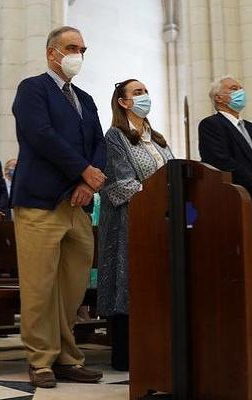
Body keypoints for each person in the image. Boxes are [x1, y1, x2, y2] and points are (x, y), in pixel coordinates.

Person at [11, 26, 106, 387]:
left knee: (72, 286)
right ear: (52, 52)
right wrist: (82, 170)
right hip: (39, 202)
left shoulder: (84, 97)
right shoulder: (33, 89)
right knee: (39, 287)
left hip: (77, 204)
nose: (78, 54)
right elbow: (40, 135)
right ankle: (40, 360)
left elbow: (98, 141)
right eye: (71, 47)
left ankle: (67, 357)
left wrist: (87, 182)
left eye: (82, 48)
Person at [97, 78, 175, 371]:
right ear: (123, 102)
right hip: (129, 221)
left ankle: (159, 346)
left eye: (146, 91)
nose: (145, 96)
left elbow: (172, 176)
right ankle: (127, 354)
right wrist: (158, 197)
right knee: (127, 280)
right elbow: (121, 182)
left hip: (161, 221)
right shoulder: (115, 136)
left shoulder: (158, 139)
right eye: (138, 93)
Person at [199, 75, 252, 203]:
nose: (240, 92)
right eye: (234, 89)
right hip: (234, 198)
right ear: (219, 98)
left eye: (241, 88)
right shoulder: (211, 124)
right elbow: (221, 161)